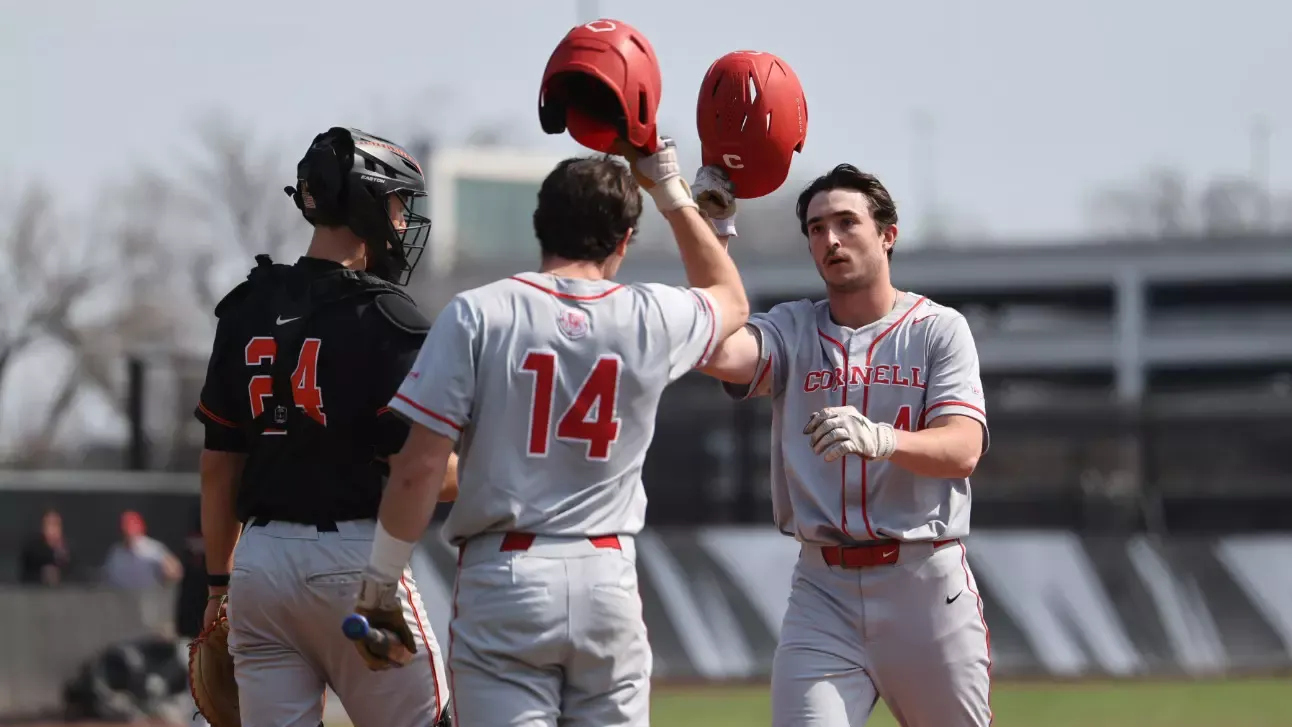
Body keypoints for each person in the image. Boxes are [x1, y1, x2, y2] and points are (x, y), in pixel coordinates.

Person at [348, 134, 749, 726]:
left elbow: (418, 470)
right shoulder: (651, 313)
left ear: (541, 224)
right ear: (624, 240)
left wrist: (380, 584)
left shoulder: (479, 311)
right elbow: (730, 298)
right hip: (607, 573)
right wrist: (668, 189)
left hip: (506, 577)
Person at [693, 164, 993, 727]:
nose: (830, 239)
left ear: (888, 234)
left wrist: (883, 439)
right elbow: (714, 349)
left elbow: (963, 448)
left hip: (923, 585)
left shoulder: (937, 329)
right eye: (815, 228)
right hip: (821, 589)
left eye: (847, 222)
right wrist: (713, 230)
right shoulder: (792, 329)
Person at [193, 126, 455, 727]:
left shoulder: (246, 307)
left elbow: (217, 465)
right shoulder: (387, 317)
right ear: (364, 201)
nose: (400, 220)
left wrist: (217, 586)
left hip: (257, 574)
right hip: (357, 577)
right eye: (394, 203)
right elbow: (424, 472)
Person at [101, 510, 183, 590]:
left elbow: (174, 571)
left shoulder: (152, 548)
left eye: (133, 532)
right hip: (121, 598)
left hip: (148, 598)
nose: (130, 536)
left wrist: (169, 572)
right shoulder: (116, 552)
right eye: (126, 532)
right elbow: (107, 577)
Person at [19, 508, 73, 585]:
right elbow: (25, 577)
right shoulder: (32, 551)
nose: (53, 530)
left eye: (56, 525)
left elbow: (75, 576)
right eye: (50, 525)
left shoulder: (68, 551)